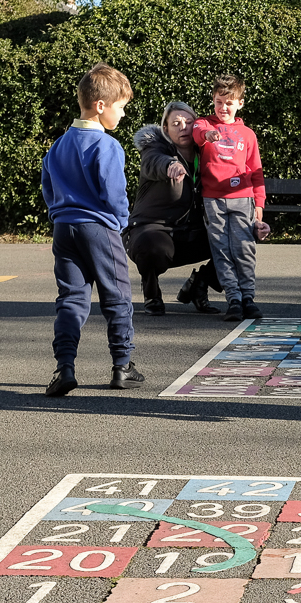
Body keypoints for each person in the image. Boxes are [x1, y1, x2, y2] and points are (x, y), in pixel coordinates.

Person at [40, 62, 142, 397]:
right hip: (99, 228)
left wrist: (60, 214)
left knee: (71, 298)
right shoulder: (107, 146)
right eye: (121, 107)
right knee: (116, 295)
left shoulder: (57, 146)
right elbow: (114, 193)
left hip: (64, 228)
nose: (123, 115)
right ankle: (122, 365)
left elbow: (48, 187)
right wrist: (123, 224)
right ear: (101, 106)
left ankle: (65, 367)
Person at [124, 101, 220, 315]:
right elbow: (153, 162)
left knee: (237, 239)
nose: (183, 127)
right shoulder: (154, 150)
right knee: (153, 247)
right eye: (175, 123)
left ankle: (199, 285)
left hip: (190, 232)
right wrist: (170, 165)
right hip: (151, 230)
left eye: (188, 122)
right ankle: (151, 294)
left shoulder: (207, 153)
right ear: (165, 129)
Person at [192, 74, 271, 321]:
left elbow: (256, 172)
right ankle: (233, 299)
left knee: (244, 249)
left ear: (240, 103)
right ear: (213, 101)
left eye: (229, 102)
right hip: (213, 200)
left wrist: (259, 203)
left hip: (242, 198)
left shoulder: (247, 134)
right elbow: (198, 133)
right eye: (218, 101)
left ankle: (248, 297)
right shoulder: (204, 124)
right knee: (222, 250)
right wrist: (208, 136)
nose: (223, 107)